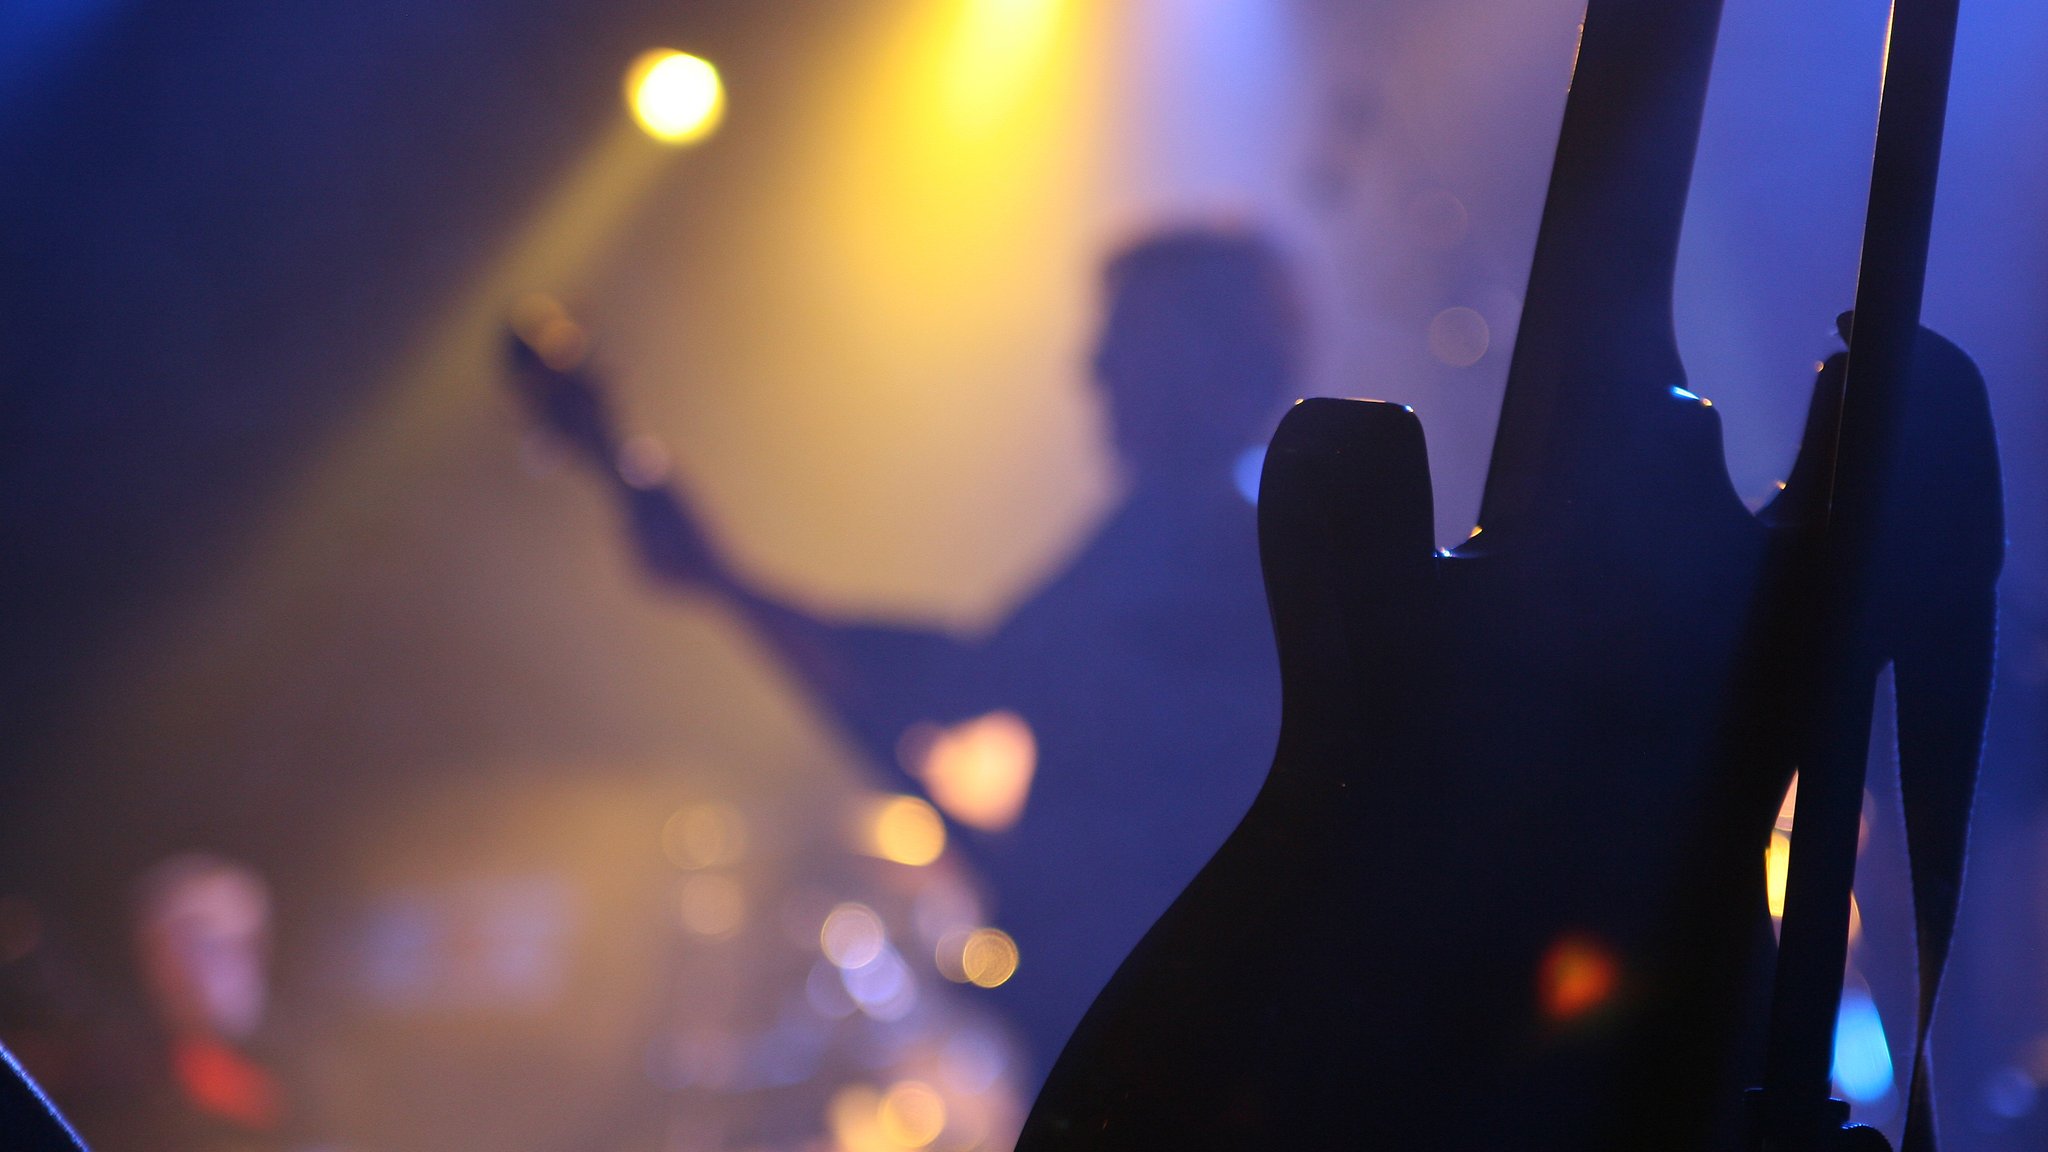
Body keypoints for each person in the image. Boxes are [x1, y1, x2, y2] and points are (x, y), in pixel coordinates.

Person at [512, 225, 1302, 1085]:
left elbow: (950, 686)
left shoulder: (1200, 545)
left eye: (1127, 341)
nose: (1094, 373)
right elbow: (958, 686)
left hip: (1172, 1040)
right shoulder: (1226, 542)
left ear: (1209, 359)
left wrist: (729, 583)